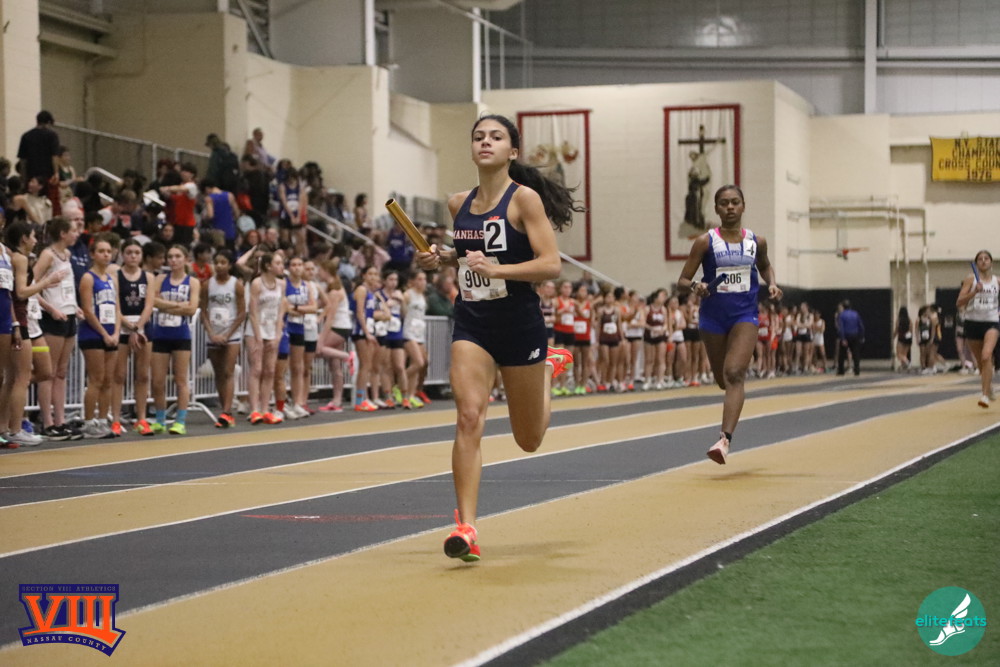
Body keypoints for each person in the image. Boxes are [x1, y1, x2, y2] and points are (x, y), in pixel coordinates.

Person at [414, 114, 579, 562]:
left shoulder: (524, 200)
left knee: (529, 439)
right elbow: (469, 257)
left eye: (496, 137)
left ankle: (547, 368)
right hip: (474, 324)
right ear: (471, 148)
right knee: (469, 417)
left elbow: (550, 264)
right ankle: (466, 527)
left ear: (512, 151)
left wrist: (497, 270)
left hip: (520, 324)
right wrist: (442, 258)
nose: (485, 142)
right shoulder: (458, 204)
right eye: (478, 137)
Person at [677, 184, 782, 465]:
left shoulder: (757, 241)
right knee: (724, 379)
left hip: (744, 316)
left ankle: (724, 440)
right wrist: (696, 286)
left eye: (735, 202)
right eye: (724, 203)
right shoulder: (705, 242)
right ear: (716, 208)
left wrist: (772, 283)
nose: (730, 207)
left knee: (735, 373)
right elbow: (682, 280)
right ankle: (737, 371)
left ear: (743, 206)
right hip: (712, 318)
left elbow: (765, 265)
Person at [34, 217, 83, 440]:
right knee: (49, 371)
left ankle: (60, 420)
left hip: (68, 314)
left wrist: (75, 306)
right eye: (73, 230)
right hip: (53, 317)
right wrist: (50, 308)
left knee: (61, 372)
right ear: (63, 233)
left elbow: (66, 286)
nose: (77, 234)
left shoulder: (67, 254)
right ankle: (47, 421)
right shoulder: (48, 255)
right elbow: (31, 286)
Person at [149, 245, 200, 435]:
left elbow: (192, 309)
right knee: (157, 381)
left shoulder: (192, 282)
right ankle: (160, 420)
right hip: (161, 334)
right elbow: (153, 301)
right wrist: (178, 305)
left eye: (178, 256)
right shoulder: (160, 279)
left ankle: (180, 421)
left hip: (181, 335)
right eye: (170, 256)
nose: (173, 260)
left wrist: (165, 305)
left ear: (185, 259)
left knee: (181, 380)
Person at [77, 235, 120, 438]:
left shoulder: (112, 280)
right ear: (93, 254)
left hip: (111, 332)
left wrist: (116, 332)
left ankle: (103, 420)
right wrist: (104, 333)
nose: (106, 255)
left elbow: (117, 308)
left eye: (108, 251)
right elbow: (87, 309)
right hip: (93, 333)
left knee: (108, 380)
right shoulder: (88, 278)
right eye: (101, 251)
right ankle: (88, 422)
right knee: (96, 379)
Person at [114, 239, 155, 435]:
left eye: (137, 253)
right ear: (123, 254)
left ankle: (141, 418)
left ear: (141, 255)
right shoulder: (116, 275)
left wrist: (138, 327)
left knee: (143, 375)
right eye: (129, 252)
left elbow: (149, 304)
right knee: (119, 375)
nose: (133, 256)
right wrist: (128, 326)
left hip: (142, 327)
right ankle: (115, 419)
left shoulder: (148, 276)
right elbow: (116, 305)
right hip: (122, 326)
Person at [200, 249, 245, 427]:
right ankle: (224, 409)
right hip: (213, 333)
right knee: (218, 373)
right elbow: (203, 311)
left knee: (228, 371)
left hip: (231, 334)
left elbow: (242, 313)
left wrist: (227, 334)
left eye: (223, 262)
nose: (219, 266)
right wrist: (211, 333)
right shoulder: (207, 285)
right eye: (216, 262)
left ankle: (227, 411)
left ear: (230, 265)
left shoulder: (236, 285)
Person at [957, 250, 999, 408]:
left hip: (991, 322)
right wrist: (974, 292)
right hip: (973, 322)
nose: (983, 261)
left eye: (986, 258)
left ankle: (984, 395)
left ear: (991, 262)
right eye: (980, 259)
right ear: (976, 263)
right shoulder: (971, 280)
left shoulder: (997, 281)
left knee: (986, 355)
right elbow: (959, 302)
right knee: (982, 363)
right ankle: (989, 386)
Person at [17, 111, 61, 214]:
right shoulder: (52, 135)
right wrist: (56, 172)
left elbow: (23, 160)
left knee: (30, 203)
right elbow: (54, 156)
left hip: (31, 175)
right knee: (48, 204)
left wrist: (23, 177)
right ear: (49, 122)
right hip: (47, 175)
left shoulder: (26, 136)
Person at [836, 299, 864, 377]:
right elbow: (861, 325)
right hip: (855, 335)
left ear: (843, 307)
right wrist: (861, 336)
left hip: (846, 335)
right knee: (856, 354)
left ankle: (841, 371)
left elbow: (841, 328)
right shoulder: (855, 314)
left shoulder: (841, 315)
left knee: (842, 354)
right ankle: (857, 370)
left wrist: (843, 338)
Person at [894, 306, 912, 371]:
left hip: (901, 337)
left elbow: (896, 329)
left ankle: (907, 363)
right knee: (904, 354)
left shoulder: (899, 320)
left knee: (899, 354)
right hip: (908, 338)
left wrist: (893, 336)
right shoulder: (909, 320)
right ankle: (903, 366)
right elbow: (911, 329)